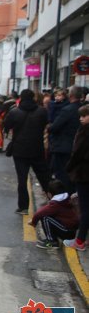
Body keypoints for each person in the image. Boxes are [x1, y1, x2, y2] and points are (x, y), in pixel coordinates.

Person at [3, 89, 51, 214]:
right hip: (37, 148)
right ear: (33, 98)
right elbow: (46, 124)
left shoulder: (14, 112)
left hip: (20, 150)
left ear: (22, 98)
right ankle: (54, 201)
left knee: (22, 179)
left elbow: (6, 126)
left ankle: (23, 206)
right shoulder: (42, 111)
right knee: (44, 176)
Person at [63, 104, 89, 252]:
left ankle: (79, 241)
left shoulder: (85, 132)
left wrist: (68, 168)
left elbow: (77, 154)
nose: (81, 119)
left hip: (84, 174)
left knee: (85, 208)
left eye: (84, 116)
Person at [48, 86, 82, 193]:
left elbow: (55, 127)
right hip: (78, 146)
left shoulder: (67, 110)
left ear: (70, 95)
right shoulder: (82, 108)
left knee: (63, 174)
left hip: (64, 147)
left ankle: (64, 198)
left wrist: (50, 128)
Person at [31, 180, 78, 249]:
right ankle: (53, 238)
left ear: (49, 194)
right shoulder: (67, 198)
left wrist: (33, 222)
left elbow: (38, 214)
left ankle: (52, 241)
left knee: (45, 217)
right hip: (73, 230)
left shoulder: (55, 204)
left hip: (67, 232)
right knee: (50, 215)